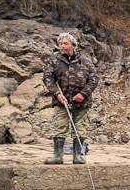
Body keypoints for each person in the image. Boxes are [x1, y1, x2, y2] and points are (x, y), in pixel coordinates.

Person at [41, 32, 99, 164]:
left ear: (73, 45)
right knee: (59, 127)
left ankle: (77, 156)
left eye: (65, 43)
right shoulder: (53, 61)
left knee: (80, 128)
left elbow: (94, 79)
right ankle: (57, 157)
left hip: (82, 103)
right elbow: (47, 78)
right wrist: (57, 94)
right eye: (60, 44)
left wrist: (83, 94)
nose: (62, 46)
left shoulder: (85, 62)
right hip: (61, 101)